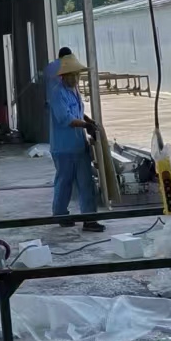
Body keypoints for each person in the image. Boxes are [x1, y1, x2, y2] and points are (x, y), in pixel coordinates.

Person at [48, 52, 104, 231]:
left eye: (77, 75)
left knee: (86, 182)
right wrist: (85, 125)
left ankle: (90, 219)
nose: (75, 79)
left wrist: (88, 120)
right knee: (65, 182)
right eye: (71, 76)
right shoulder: (57, 93)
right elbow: (65, 118)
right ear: (63, 76)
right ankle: (60, 215)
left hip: (79, 145)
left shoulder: (75, 90)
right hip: (63, 148)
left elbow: (77, 113)